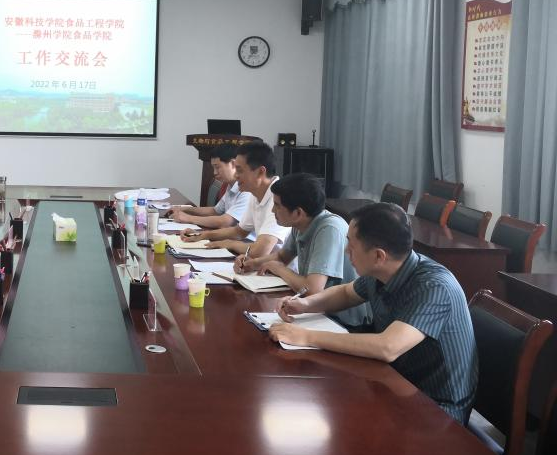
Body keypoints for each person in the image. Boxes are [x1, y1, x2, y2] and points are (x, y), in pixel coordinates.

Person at [270, 202, 477, 423]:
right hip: (395, 381)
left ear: (379, 256)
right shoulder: (384, 269)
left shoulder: (434, 287)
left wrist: (306, 337)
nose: (346, 251)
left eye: (351, 246)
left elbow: (387, 347)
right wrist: (305, 304)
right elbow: (346, 293)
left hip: (437, 410)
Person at [235, 173, 369, 327]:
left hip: (343, 321)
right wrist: (252, 263)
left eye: (277, 205)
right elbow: (281, 257)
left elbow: (312, 290)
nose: (272, 210)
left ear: (298, 213)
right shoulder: (301, 224)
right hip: (317, 311)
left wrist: (279, 269)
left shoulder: (329, 229)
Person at [187, 141, 290, 258]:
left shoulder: (279, 199)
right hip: (261, 262)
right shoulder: (255, 194)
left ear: (260, 172)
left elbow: (260, 251)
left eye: (240, 170)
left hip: (278, 268)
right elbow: (239, 232)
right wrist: (204, 235)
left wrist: (229, 244)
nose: (236, 175)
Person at [168, 144, 248, 230]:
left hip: (241, 238)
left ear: (233, 164)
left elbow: (225, 222)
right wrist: (184, 209)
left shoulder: (247, 190)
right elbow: (215, 211)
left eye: (217, 167)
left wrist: (188, 218)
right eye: (213, 168)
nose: (214, 173)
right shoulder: (230, 186)